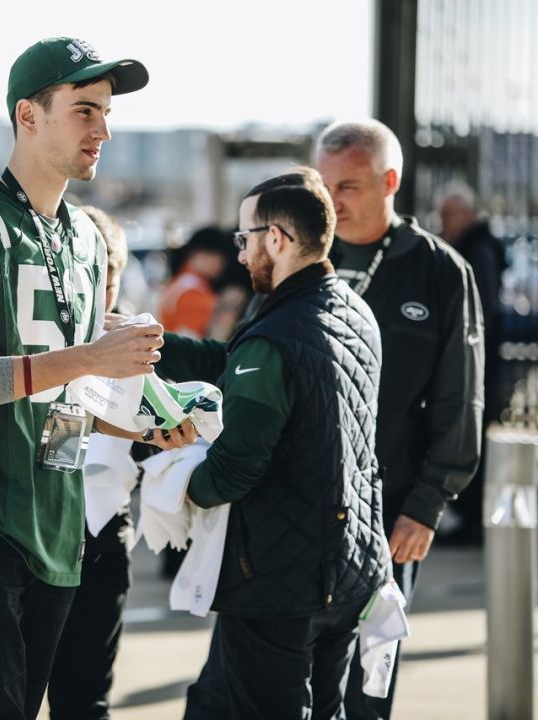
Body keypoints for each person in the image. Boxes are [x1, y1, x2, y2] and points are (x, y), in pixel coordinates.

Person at [0, 37, 196, 719]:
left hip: (55, 523)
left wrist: (137, 425)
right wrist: (92, 358)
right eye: (84, 111)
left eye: (104, 112)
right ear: (28, 116)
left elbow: (60, 402)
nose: (103, 129)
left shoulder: (85, 239)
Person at [155, 169, 390, 718]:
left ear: (277, 240)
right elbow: (237, 363)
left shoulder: (277, 335)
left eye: (244, 239)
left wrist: (172, 484)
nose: (239, 254)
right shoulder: (353, 311)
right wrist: (153, 344)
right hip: (350, 568)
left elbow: (233, 471)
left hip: (280, 584)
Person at [315, 119, 484, 719]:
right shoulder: (304, 253)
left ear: (390, 181)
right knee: (292, 678)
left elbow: (459, 399)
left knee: (369, 674)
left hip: (389, 511)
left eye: (351, 186)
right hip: (298, 501)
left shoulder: (440, 271)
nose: (333, 200)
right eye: (326, 183)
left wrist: (429, 502)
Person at [46, 205, 136, 720]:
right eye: (92, 275)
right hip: (43, 525)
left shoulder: (136, 340)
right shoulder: (44, 342)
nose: (103, 293)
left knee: (86, 700)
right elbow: (59, 451)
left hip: (103, 534)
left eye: (112, 278)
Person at [436, 181, 506, 544]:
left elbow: (484, 313)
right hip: (476, 362)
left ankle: (472, 523)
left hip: (478, 366)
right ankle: (467, 518)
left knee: (471, 437)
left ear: (465, 213)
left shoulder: (478, 250)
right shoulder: (474, 246)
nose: (442, 221)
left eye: (447, 213)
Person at [158, 227, 230, 338]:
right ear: (200, 254)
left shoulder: (180, 282)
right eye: (219, 257)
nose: (221, 264)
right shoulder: (193, 291)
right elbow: (190, 340)